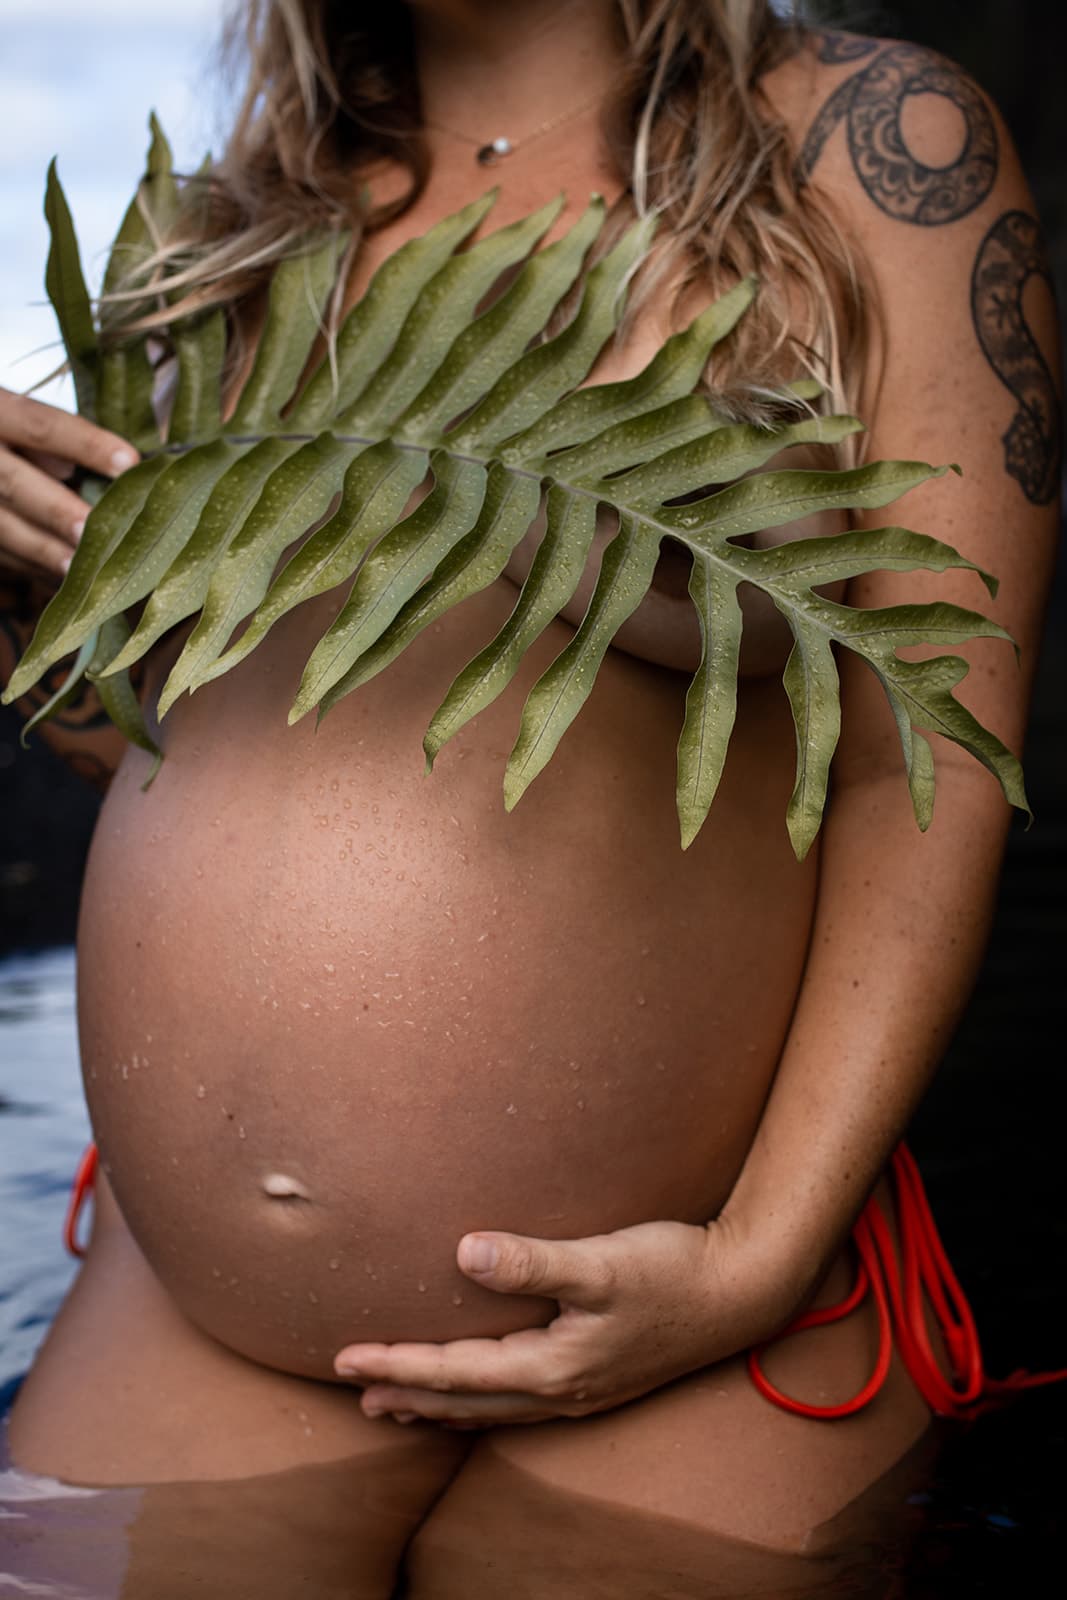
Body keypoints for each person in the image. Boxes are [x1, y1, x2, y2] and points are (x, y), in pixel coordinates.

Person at [0, 1, 1060, 1593]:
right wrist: (32, 619)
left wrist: (761, 1257)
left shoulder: (863, 143)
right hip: (202, 1318)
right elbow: (166, 749)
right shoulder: (241, 222)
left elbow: (936, 762)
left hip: (700, 1298)